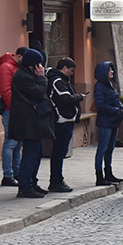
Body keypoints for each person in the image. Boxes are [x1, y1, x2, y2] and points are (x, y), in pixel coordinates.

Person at [10, 49, 55, 198]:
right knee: (30, 154)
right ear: (33, 64)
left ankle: (32, 182)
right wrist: (42, 78)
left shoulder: (28, 74)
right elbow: (38, 93)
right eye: (38, 63)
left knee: (37, 153)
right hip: (28, 121)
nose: (41, 66)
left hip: (34, 121)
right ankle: (25, 187)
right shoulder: (22, 77)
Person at [47, 57, 85, 193]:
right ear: (64, 68)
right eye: (71, 70)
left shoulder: (62, 81)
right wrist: (79, 97)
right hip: (61, 121)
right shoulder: (57, 81)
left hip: (66, 120)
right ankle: (56, 181)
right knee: (59, 152)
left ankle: (57, 179)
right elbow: (65, 98)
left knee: (60, 151)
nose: (72, 73)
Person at [0, 47, 28, 187]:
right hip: (11, 110)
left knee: (18, 142)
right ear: (19, 56)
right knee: (10, 142)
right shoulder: (6, 67)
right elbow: (5, 91)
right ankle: (8, 174)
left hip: (16, 109)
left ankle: (16, 172)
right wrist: (15, 108)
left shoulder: (14, 67)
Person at [93, 61, 123, 187]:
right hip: (105, 122)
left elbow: (116, 99)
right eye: (109, 70)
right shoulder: (100, 86)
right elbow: (100, 105)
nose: (112, 72)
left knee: (110, 149)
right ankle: (99, 175)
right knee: (102, 149)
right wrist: (116, 110)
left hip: (113, 121)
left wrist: (121, 108)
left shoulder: (111, 84)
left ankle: (109, 172)